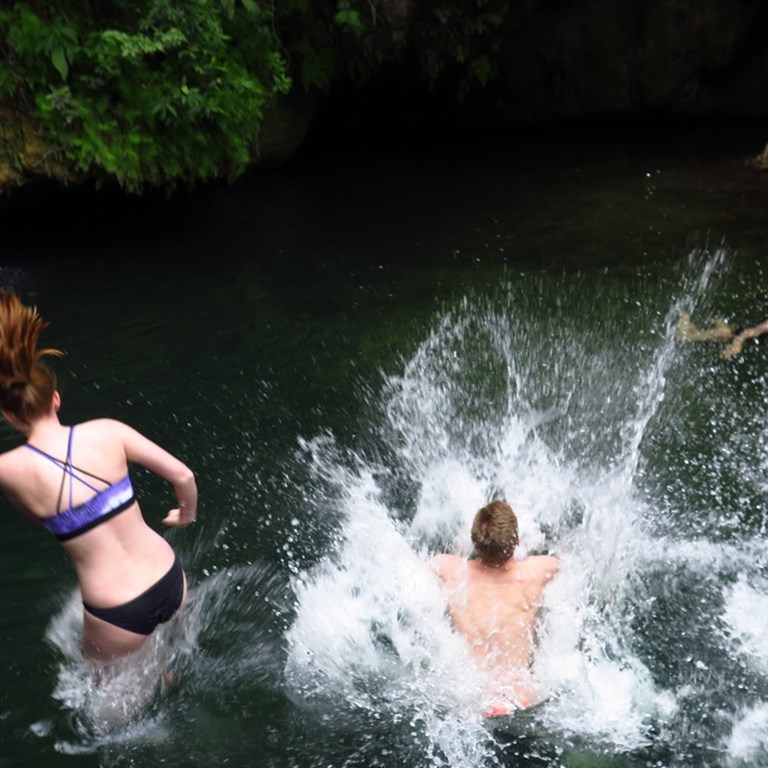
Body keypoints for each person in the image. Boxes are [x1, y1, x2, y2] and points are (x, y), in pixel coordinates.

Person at [0, 290, 197, 662]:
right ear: (55, 399)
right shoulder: (109, 431)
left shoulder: (7, 470)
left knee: (104, 717)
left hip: (116, 613)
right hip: (171, 579)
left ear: (8, 416)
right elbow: (183, 475)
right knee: (170, 657)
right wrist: (184, 515)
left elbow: (39, 518)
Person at [430, 500, 559, 717]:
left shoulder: (449, 570)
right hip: (519, 697)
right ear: (517, 540)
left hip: (472, 697)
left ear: (475, 543)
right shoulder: (537, 571)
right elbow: (574, 569)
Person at [677, 312, 768, 359]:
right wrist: (735, 346)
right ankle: (685, 333)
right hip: (733, 334)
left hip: (742, 335)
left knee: (723, 332)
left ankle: (691, 328)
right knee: (722, 333)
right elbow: (746, 333)